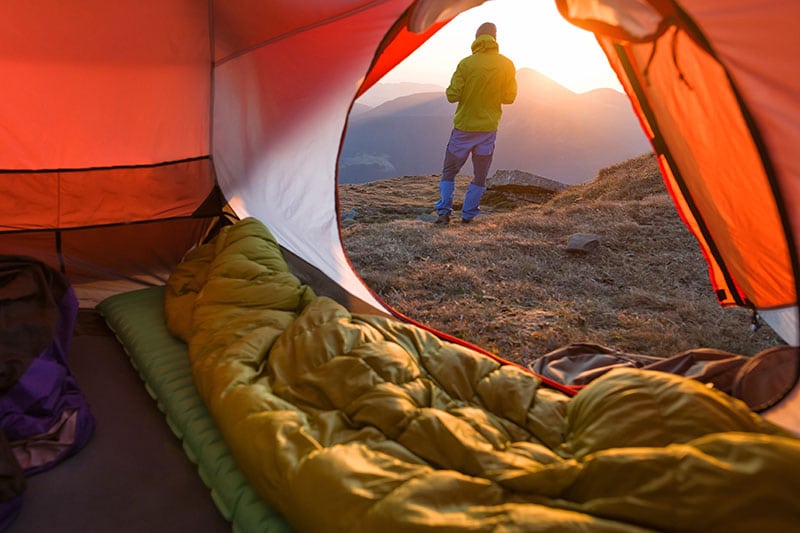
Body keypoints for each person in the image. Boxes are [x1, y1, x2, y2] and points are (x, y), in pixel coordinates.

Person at [434, 21, 517, 225]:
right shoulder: (506, 64)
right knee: (480, 174)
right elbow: (509, 98)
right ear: (495, 39)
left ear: (476, 39)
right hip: (488, 129)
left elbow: (452, 96)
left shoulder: (466, 63)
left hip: (463, 128)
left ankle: (444, 212)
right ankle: (468, 215)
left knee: (449, 171)